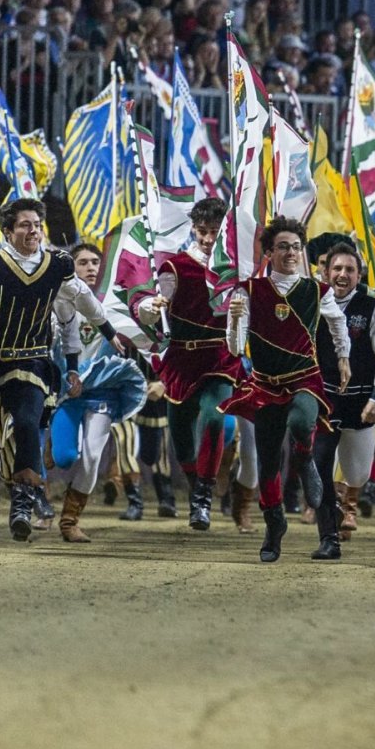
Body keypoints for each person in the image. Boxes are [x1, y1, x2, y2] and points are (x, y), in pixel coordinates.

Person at [0, 199, 130, 540]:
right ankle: (22, 482)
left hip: (31, 362)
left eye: (37, 224)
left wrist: (108, 331)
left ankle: (22, 503)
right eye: (24, 225)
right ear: (8, 232)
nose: (33, 231)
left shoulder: (57, 266)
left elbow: (82, 297)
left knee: (27, 421)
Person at [222, 218, 350, 562]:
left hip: (305, 380)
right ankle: (274, 523)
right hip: (264, 385)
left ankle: (305, 458)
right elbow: (235, 349)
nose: (291, 252)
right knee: (267, 463)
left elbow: (338, 323)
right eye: (283, 246)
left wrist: (343, 358)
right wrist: (234, 319)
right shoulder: (248, 291)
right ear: (268, 253)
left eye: (296, 246)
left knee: (301, 423)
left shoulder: (316, 290)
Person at [136, 198, 245, 531]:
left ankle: (203, 496)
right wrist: (152, 308)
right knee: (180, 435)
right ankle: (196, 481)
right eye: (202, 231)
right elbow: (155, 303)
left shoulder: (236, 269)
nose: (208, 238)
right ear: (193, 230)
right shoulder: (175, 268)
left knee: (214, 417)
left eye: (215, 231)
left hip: (219, 357)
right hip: (182, 359)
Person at [309, 241, 375, 560]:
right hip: (324, 399)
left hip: (361, 402)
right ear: (325, 271)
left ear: (359, 273)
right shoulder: (313, 303)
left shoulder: (373, 308)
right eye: (337, 268)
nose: (342, 274)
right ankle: (328, 537)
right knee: (319, 462)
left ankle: (344, 500)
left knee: (357, 475)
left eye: (349, 269)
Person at [48, 243, 148, 542]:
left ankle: (69, 522)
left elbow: (143, 327)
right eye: (82, 263)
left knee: (92, 457)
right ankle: (50, 446)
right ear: (71, 269)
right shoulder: (55, 304)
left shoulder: (115, 305)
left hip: (103, 395)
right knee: (65, 457)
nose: (90, 268)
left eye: (95, 262)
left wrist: (152, 311)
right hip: (68, 394)